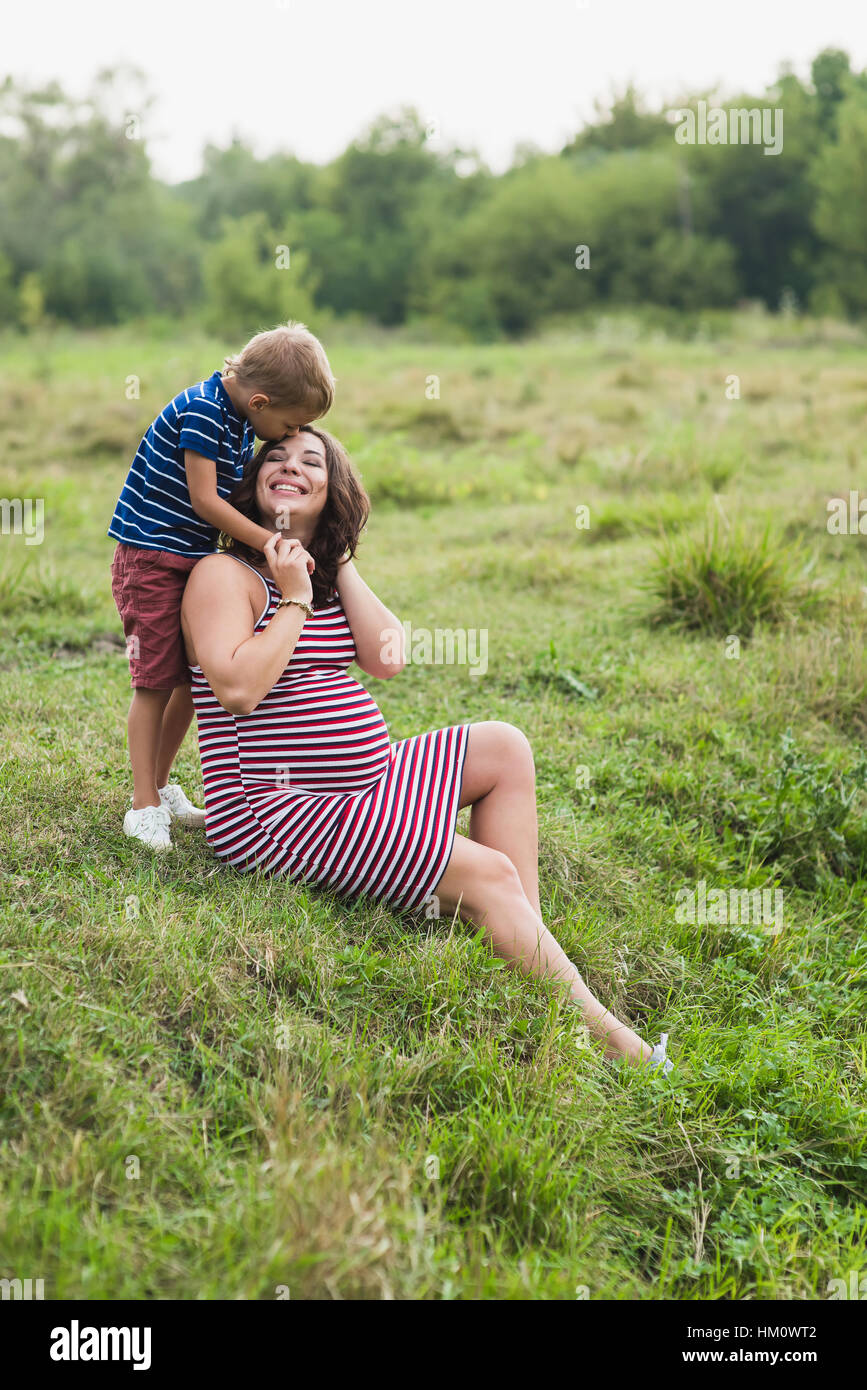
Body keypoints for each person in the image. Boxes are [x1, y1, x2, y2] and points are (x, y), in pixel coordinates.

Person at [180, 426, 673, 1073]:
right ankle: (622, 1053)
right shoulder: (225, 576)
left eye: (311, 462)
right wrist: (293, 599)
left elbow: (388, 658)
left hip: (366, 786)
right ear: (249, 484)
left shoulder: (320, 577)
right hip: (275, 810)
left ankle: (525, 942)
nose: (291, 466)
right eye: (275, 457)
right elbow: (237, 688)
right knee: (490, 874)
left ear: (334, 492)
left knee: (503, 746)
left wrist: (333, 557)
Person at [108, 321, 334, 851]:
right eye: (288, 424)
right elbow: (208, 502)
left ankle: (161, 788)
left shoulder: (238, 417)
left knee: (192, 680)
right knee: (154, 683)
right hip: (153, 560)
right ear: (259, 400)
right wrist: (272, 542)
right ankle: (142, 805)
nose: (284, 435)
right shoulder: (207, 410)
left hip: (190, 558)